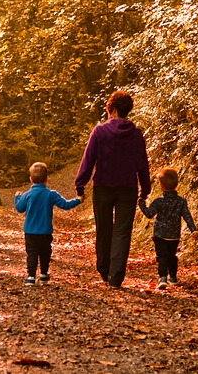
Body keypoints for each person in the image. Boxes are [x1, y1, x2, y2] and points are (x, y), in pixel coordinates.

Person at [75, 90, 151, 289]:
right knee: (122, 232)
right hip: (127, 187)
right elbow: (142, 163)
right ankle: (116, 277)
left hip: (103, 187)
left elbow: (88, 160)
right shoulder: (136, 135)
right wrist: (146, 188)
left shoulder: (100, 131)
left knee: (104, 229)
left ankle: (104, 270)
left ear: (113, 109)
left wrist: (80, 185)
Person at [15, 162, 82, 286]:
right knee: (45, 252)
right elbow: (65, 205)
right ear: (46, 179)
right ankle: (44, 274)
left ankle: (30, 276)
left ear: (30, 179)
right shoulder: (51, 194)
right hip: (45, 231)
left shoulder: (27, 195)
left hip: (30, 231)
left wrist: (17, 198)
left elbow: (19, 208)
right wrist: (78, 200)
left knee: (32, 253)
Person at [138, 167, 197, 289]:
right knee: (172, 255)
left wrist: (141, 204)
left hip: (160, 235)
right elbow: (187, 216)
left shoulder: (159, 201)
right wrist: (194, 230)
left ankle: (163, 277)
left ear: (161, 186)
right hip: (174, 235)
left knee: (161, 256)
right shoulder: (181, 201)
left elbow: (149, 214)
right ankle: (173, 277)